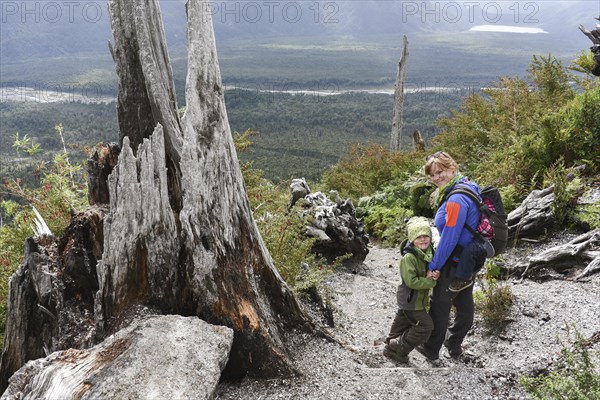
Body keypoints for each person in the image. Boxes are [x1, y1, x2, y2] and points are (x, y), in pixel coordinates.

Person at [416, 151, 486, 361]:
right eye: (433, 174)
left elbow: (450, 237)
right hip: (468, 260)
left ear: (452, 169)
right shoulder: (468, 186)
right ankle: (454, 346)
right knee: (464, 304)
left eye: (441, 171)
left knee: (440, 305)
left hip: (453, 261)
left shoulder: (455, 198)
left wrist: (435, 265)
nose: (437, 177)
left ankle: (431, 348)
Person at [383, 216, 439, 363]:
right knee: (426, 326)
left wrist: (434, 274)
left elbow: (429, 271)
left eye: (426, 236)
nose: (423, 239)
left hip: (414, 300)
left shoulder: (428, 253)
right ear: (412, 239)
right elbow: (411, 281)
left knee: (402, 322)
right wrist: (430, 282)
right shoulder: (409, 258)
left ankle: (390, 347)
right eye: (418, 236)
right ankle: (400, 349)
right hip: (411, 300)